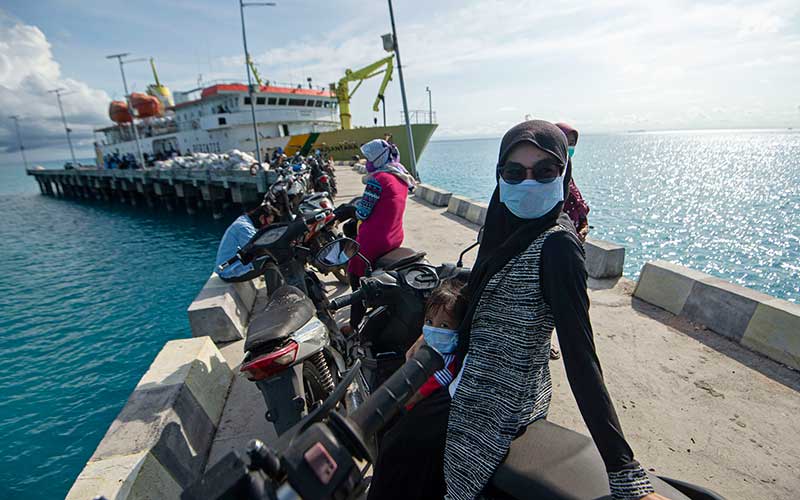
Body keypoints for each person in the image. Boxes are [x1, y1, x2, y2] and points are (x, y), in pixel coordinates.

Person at [370, 120, 666, 500]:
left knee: (399, 447)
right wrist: (429, 339)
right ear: (500, 176)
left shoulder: (558, 248)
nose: (528, 183)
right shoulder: (501, 224)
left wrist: (625, 474)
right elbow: (480, 291)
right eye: (515, 172)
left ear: (563, 174)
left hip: (503, 396)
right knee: (393, 418)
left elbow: (580, 357)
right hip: (470, 370)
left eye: (544, 172)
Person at [367, 280, 466, 500]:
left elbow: (417, 392)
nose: (433, 329)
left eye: (444, 326)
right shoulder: (431, 347)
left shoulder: (447, 362)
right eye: (429, 322)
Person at [345, 138, 415, 330]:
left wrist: (349, 210)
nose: (366, 162)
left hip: (373, 240)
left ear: (377, 159)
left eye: (368, 158)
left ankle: (353, 326)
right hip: (394, 237)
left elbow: (362, 213)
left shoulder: (378, 180)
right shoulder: (400, 176)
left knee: (355, 278)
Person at [214, 203, 280, 284]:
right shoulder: (244, 228)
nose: (268, 226)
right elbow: (258, 249)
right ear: (262, 218)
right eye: (268, 223)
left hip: (233, 265)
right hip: (229, 271)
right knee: (270, 262)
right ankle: (274, 294)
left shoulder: (244, 221)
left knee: (271, 258)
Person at [555, 122, 590, 242]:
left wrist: (584, 228)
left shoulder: (568, 176)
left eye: (572, 144)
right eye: (565, 142)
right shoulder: (547, 178)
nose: (569, 147)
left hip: (573, 241)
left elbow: (579, 207)